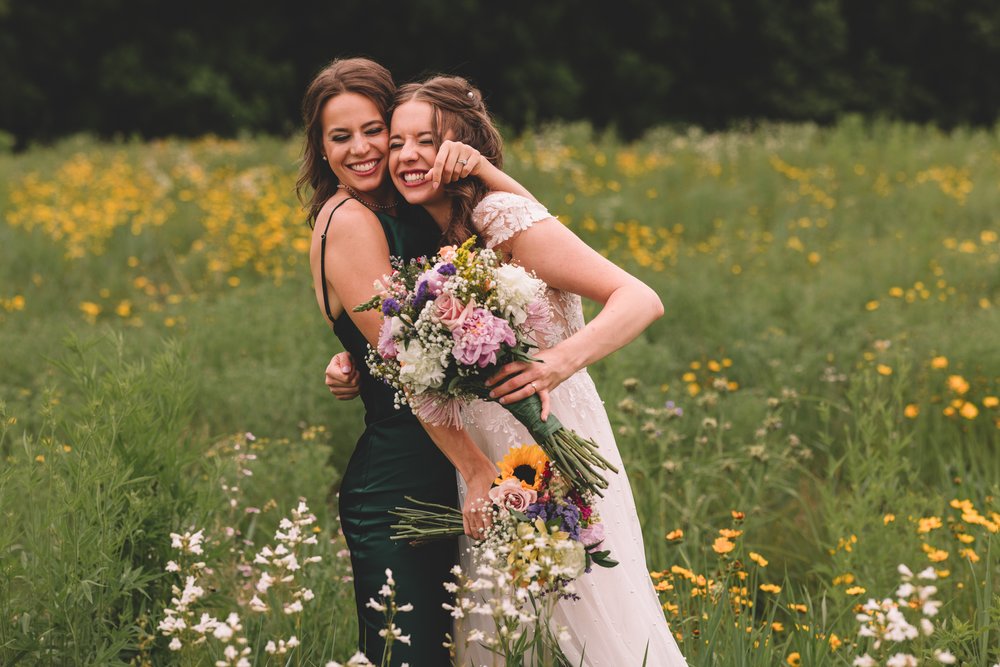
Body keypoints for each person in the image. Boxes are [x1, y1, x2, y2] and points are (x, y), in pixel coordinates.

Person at [328, 75, 688, 665]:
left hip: (554, 445)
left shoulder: (502, 214)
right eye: (397, 142)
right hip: (492, 465)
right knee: (511, 631)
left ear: (461, 149)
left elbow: (639, 297)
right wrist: (356, 364)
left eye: (427, 140)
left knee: (587, 621)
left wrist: (555, 362)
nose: (406, 156)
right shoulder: (436, 236)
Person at [300, 58, 532, 665]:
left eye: (374, 129)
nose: (362, 149)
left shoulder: (403, 210)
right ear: (321, 150)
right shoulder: (349, 221)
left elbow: (395, 329)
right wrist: (478, 470)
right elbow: (406, 363)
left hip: (445, 462)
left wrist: (350, 356)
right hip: (402, 479)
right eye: (339, 137)